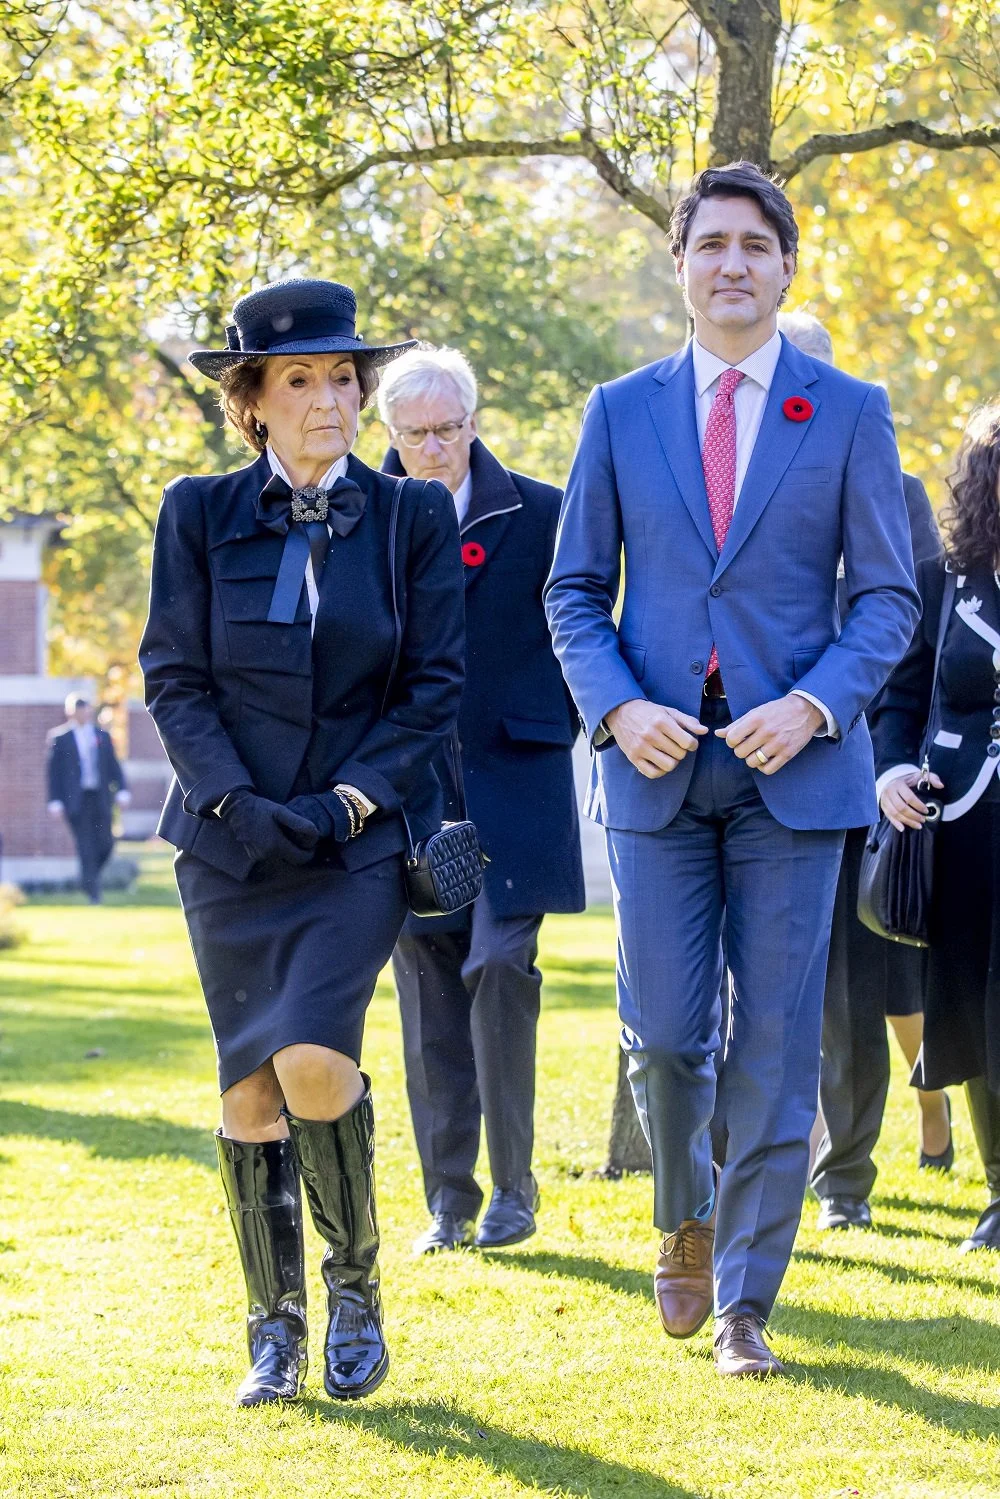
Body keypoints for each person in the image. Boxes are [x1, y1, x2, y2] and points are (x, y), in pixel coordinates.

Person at [544, 162, 919, 1377]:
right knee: (663, 1037)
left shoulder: (848, 409)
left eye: (756, 245)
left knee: (773, 1046)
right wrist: (616, 708)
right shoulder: (620, 410)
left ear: (786, 268)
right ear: (679, 266)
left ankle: (745, 1300)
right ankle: (685, 1213)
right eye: (710, 243)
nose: (733, 264)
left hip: (793, 779)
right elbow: (571, 590)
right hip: (656, 770)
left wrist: (814, 706)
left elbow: (886, 598)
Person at [139, 279, 465, 1406]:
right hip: (229, 849)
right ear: (252, 401)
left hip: (353, 846)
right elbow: (174, 677)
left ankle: (354, 1290)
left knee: (316, 1060)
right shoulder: (195, 512)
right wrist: (232, 802)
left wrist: (350, 802)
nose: (329, 400)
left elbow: (432, 688)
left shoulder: (413, 516)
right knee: (248, 1093)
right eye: (299, 380)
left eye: (342, 378)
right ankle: (272, 1330)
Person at [379, 347, 585, 1254]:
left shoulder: (539, 512)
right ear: (391, 433)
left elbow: (581, 623)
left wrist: (556, 722)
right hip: (410, 791)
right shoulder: (363, 516)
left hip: (515, 778)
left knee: (500, 964)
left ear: (473, 421)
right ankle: (449, 1203)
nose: (434, 448)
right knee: (428, 986)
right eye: (415, 434)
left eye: (448, 429)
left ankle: (514, 1188)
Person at [773, 312, 950, 1232]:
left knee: (857, 992)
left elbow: (908, 642)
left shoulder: (898, 490)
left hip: (860, 770)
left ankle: (844, 1180)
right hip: (752, 767)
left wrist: (886, 761)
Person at [873, 398, 1000, 1253]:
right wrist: (890, 772)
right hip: (964, 822)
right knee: (976, 1004)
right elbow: (901, 698)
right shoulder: (944, 578)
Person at [46, 695, 130, 902]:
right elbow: (53, 773)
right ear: (71, 713)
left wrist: (122, 790)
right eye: (80, 710)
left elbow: (113, 765)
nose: (85, 714)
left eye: (87, 710)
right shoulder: (60, 738)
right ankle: (94, 893)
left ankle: (87, 879)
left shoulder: (102, 736)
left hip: (100, 797)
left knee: (106, 843)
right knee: (85, 845)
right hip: (76, 800)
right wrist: (54, 801)